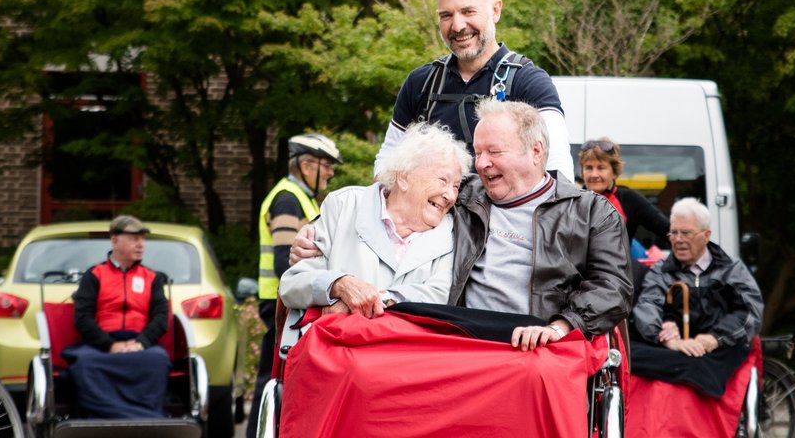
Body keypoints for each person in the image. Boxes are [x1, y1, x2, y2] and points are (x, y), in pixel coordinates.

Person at [295, 100, 631, 350]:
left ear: (536, 151)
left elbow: (613, 285)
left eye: (494, 152)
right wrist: (313, 231)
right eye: (478, 151)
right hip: (461, 341)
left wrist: (562, 325)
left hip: (540, 340)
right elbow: (398, 190)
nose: (481, 163)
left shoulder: (590, 212)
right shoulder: (464, 196)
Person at [277, 122, 472, 349]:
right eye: (443, 181)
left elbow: (438, 296)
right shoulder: (344, 206)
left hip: (407, 361)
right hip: (337, 354)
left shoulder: (451, 232)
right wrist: (338, 285)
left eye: (456, 186)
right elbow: (292, 284)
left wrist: (371, 300)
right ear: (404, 177)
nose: (450, 195)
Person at [373, 0, 573, 178]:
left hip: (504, 210)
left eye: (468, 12)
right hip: (433, 209)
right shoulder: (422, 83)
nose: (458, 26)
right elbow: (386, 162)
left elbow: (558, 169)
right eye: (446, 16)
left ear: (496, 11)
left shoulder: (530, 82)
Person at [248, 132, 341, 437]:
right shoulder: (287, 199)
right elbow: (281, 261)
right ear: (306, 165)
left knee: (270, 378)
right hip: (279, 303)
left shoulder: (300, 197)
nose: (330, 172)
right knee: (272, 381)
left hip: (284, 302)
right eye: (326, 165)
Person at [630, 197, 762, 394]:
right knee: (627, 354)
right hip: (672, 349)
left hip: (714, 347)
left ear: (706, 235)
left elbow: (750, 312)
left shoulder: (731, 269)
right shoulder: (661, 270)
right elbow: (647, 304)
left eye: (686, 233)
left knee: (704, 364)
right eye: (673, 233)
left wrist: (714, 338)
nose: (678, 239)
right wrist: (665, 334)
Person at [66, 215, 170, 419]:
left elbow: (161, 317)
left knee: (158, 360)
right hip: (102, 343)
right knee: (86, 364)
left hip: (138, 342)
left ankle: (148, 417)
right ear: (114, 240)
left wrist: (141, 343)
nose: (140, 244)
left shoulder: (152, 278)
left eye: (142, 239)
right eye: (133, 238)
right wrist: (109, 345)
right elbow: (83, 317)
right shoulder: (95, 275)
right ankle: (103, 418)